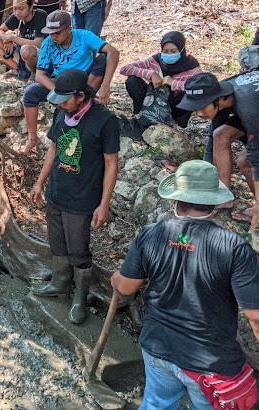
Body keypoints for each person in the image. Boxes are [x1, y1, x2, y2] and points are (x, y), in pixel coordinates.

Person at [111, 160, 259, 410]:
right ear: (213, 203)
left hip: (158, 348)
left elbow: (125, 288)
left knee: (157, 404)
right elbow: (255, 318)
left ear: (176, 200)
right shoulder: (234, 248)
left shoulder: (151, 233)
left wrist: (117, 277)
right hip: (208, 365)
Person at [29, 69, 119, 324]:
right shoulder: (62, 111)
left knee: (78, 250)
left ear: (81, 96)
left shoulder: (104, 121)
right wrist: (39, 182)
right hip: (57, 191)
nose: (60, 105)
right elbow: (54, 149)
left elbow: (111, 163)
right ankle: (59, 283)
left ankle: (80, 297)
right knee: (57, 242)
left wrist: (104, 204)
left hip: (82, 199)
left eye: (65, 99)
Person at [20, 9, 119, 154]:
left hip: (85, 81)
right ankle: (32, 138)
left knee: (103, 59)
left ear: (68, 29)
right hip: (60, 82)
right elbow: (40, 75)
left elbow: (113, 52)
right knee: (30, 93)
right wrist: (58, 91)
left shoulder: (83, 36)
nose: (53, 37)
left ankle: (86, 97)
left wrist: (106, 86)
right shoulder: (48, 43)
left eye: (57, 33)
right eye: (51, 33)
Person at [177, 71, 259, 229]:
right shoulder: (217, 91)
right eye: (195, 109)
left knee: (246, 161)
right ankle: (224, 196)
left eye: (202, 108)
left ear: (219, 99)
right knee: (220, 135)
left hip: (255, 111)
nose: (198, 114)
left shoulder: (248, 109)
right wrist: (203, 178)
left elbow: (257, 159)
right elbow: (212, 142)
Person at [118, 31, 201, 135]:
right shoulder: (155, 61)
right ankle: (140, 115)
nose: (169, 54)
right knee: (132, 81)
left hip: (175, 105)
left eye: (173, 51)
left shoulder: (191, 67)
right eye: (165, 51)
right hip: (152, 100)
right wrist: (151, 74)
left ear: (182, 50)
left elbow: (201, 88)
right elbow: (124, 69)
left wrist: (173, 83)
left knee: (189, 93)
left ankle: (174, 123)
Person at [0, 0, 48, 79]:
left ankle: (34, 74)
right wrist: (6, 38)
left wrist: (12, 38)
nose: (17, 12)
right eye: (14, 8)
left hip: (38, 57)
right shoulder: (16, 16)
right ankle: (17, 69)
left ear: (31, 7)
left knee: (26, 50)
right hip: (21, 56)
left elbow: (38, 43)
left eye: (21, 8)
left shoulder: (40, 15)